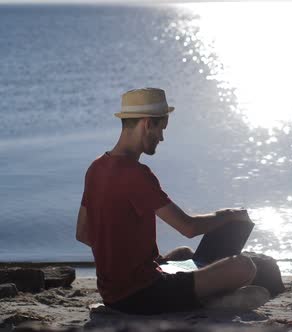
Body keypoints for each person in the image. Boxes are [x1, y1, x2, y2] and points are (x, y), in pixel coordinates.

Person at [75, 88, 269, 315]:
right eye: (161, 129)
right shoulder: (136, 174)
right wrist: (230, 215)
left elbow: (83, 234)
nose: (162, 138)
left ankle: (198, 291)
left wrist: (129, 259)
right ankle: (210, 303)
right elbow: (188, 227)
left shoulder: (96, 167)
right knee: (243, 267)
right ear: (147, 124)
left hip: (113, 293)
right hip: (143, 294)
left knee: (184, 254)